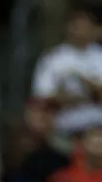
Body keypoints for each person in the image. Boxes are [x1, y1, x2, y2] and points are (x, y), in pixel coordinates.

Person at [31, 8, 102, 141]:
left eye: (86, 26)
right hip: (64, 131)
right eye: (77, 26)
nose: (82, 31)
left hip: (98, 128)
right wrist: (79, 97)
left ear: (93, 28)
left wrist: (88, 83)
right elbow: (41, 97)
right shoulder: (53, 58)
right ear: (68, 28)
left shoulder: (99, 56)